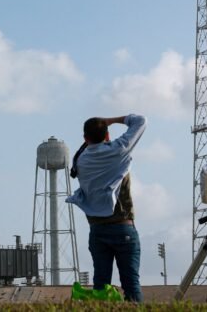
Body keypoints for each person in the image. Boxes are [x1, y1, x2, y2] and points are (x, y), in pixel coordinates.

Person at [66, 114, 147, 302]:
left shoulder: (80, 160)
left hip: (97, 230)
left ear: (85, 138)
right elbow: (140, 121)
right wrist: (112, 120)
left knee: (101, 288)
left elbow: (86, 149)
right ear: (107, 136)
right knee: (131, 285)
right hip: (123, 226)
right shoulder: (118, 149)